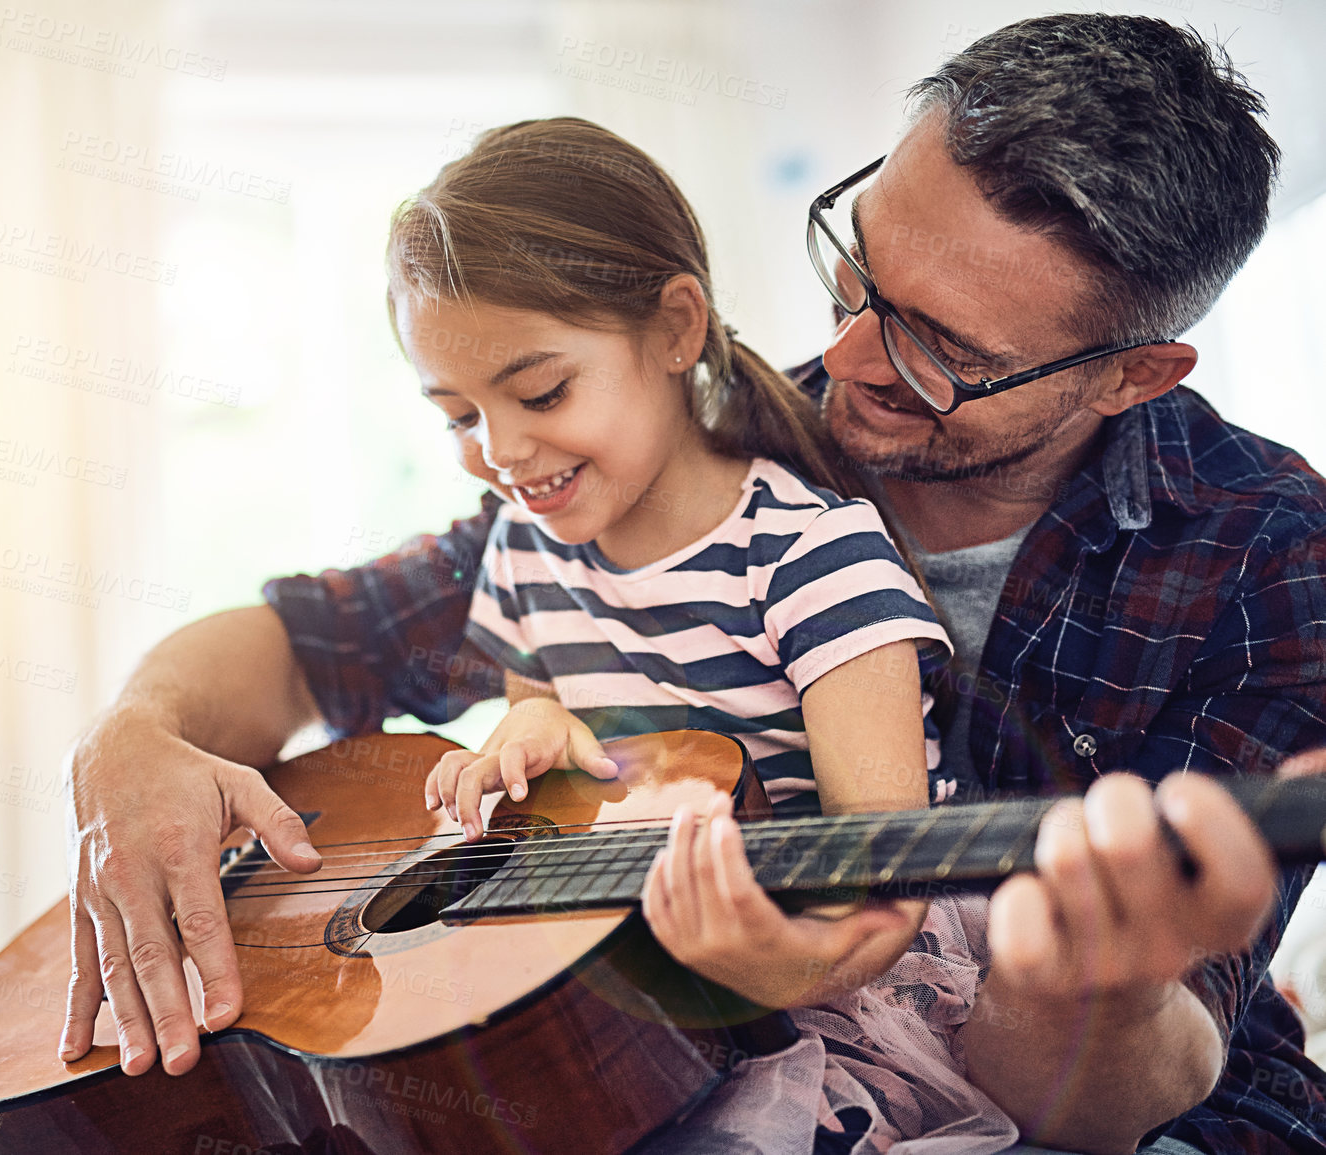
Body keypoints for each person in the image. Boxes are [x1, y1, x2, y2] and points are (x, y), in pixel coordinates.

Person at [61, 14, 1326, 1155]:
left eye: (941, 349)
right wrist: (134, 741)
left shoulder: (1272, 555)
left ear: (1131, 376)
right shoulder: (700, 449)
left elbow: (1107, 1096)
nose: (844, 354)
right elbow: (302, 640)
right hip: (701, 1048)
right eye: (856, 272)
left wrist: (1076, 982)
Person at [396, 118, 1017, 1151]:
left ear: (678, 327)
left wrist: (771, 969)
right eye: (458, 415)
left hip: (838, 987)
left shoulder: (813, 560)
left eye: (541, 391)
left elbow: (885, 877)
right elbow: (551, 762)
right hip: (639, 984)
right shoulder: (523, 549)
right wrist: (531, 733)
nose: (501, 450)